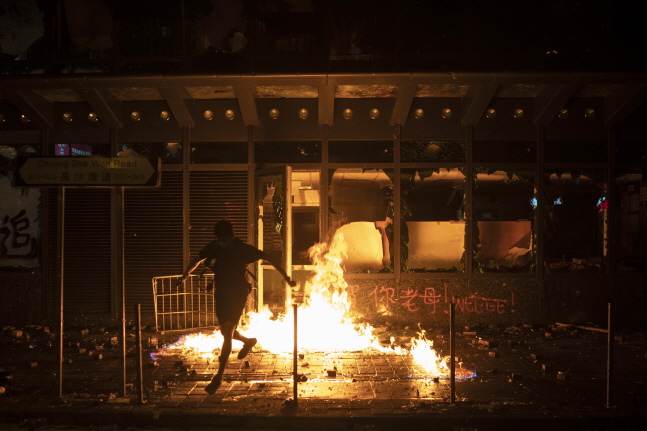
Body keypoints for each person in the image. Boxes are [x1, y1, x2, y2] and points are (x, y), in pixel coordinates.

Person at [177, 219, 296, 394]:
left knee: (227, 333)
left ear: (231, 235)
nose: (223, 242)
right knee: (226, 331)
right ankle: (248, 341)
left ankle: (218, 377)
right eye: (220, 239)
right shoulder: (214, 247)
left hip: (238, 293)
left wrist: (286, 278)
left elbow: (268, 257)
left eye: (225, 239)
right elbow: (197, 259)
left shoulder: (243, 249)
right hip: (221, 293)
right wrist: (185, 275)